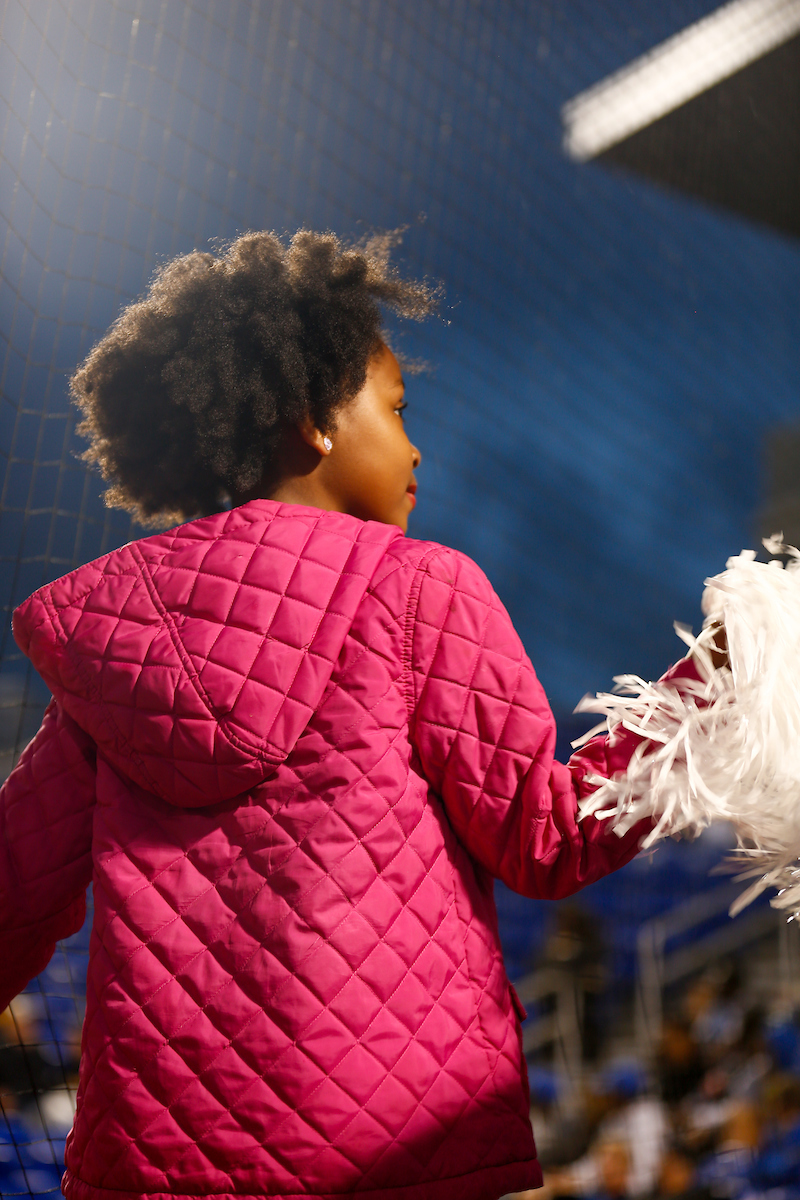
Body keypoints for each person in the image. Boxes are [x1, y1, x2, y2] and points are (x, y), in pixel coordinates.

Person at [0, 231, 708, 1200]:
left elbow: (9, 895)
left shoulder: (117, 644)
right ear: (313, 422)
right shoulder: (420, 590)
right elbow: (545, 837)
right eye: (395, 408)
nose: (414, 444)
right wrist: (713, 684)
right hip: (405, 1158)